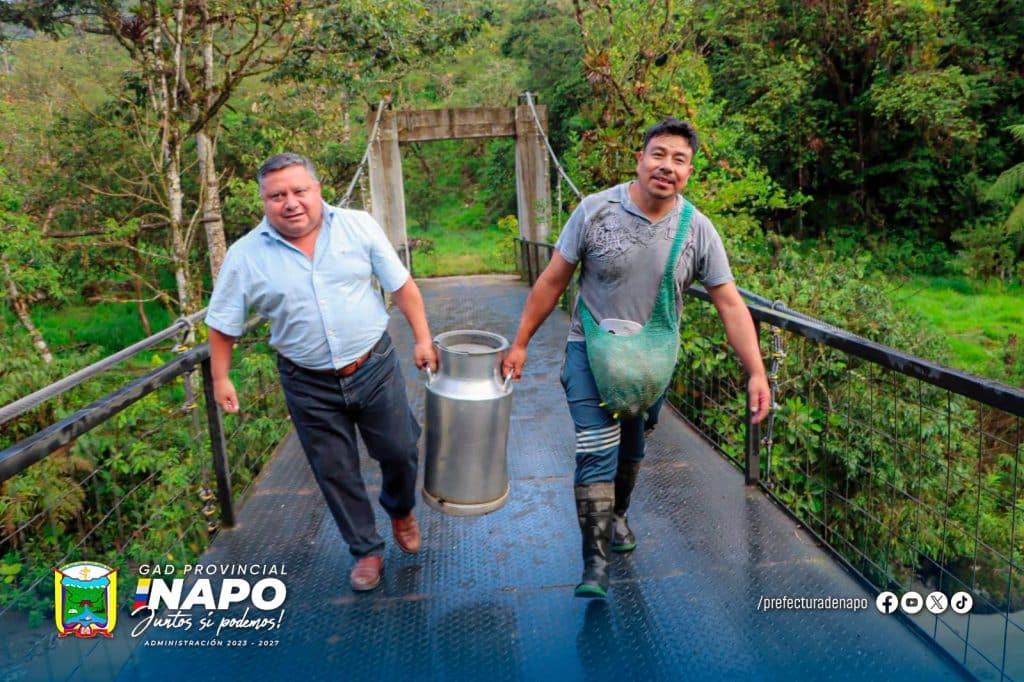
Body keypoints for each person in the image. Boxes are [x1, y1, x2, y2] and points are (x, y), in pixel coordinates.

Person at [502, 118, 771, 599]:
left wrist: (756, 371)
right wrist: (520, 342)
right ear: (640, 159)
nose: (667, 167)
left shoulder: (699, 231)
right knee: (595, 448)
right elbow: (552, 280)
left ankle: (618, 513)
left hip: (651, 364)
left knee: (632, 447)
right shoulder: (593, 211)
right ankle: (595, 563)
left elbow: (730, 302)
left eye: (679, 160)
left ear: (688, 172)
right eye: (659, 154)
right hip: (590, 351)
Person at [205, 152, 438, 593]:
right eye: (277, 196)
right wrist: (221, 377)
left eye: (298, 191)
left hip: (373, 364)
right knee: (335, 470)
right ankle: (365, 549)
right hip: (307, 381)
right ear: (264, 201)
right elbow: (222, 322)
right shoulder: (245, 255)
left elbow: (401, 286)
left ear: (318, 191)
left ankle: (400, 508)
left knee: (401, 449)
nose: (290, 202)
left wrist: (423, 339)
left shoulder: (358, 225)